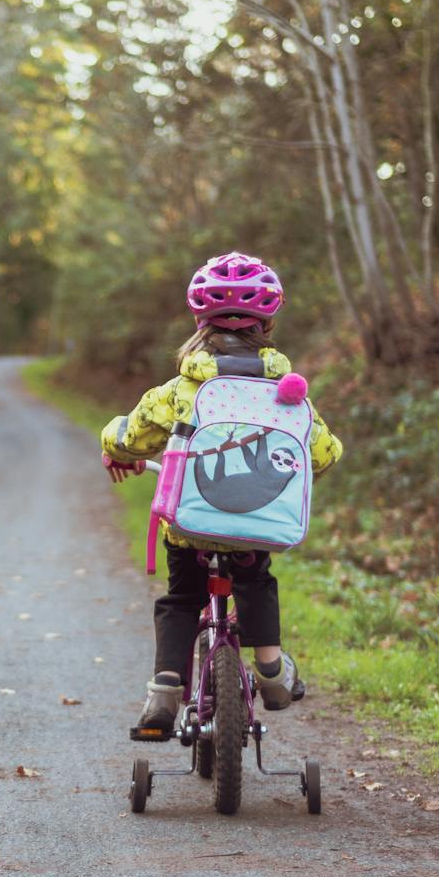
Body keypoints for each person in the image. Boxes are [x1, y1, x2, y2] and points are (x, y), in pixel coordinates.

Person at [98, 253, 343, 740]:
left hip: (189, 528)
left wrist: (112, 445)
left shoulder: (182, 390)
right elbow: (324, 452)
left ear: (198, 320)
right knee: (256, 582)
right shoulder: (286, 393)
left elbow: (131, 435)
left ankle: (165, 692)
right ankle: (271, 671)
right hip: (254, 528)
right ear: (268, 323)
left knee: (181, 598)